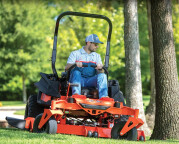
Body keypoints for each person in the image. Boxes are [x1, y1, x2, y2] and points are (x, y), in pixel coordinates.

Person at [65, 34, 108, 99]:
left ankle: (104, 97)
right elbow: (66, 67)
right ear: (88, 43)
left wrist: (100, 68)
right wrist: (75, 64)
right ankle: (76, 94)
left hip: (91, 80)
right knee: (76, 72)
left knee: (103, 76)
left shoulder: (97, 56)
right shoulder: (75, 54)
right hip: (78, 80)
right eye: (95, 44)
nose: (97, 46)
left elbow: (101, 71)